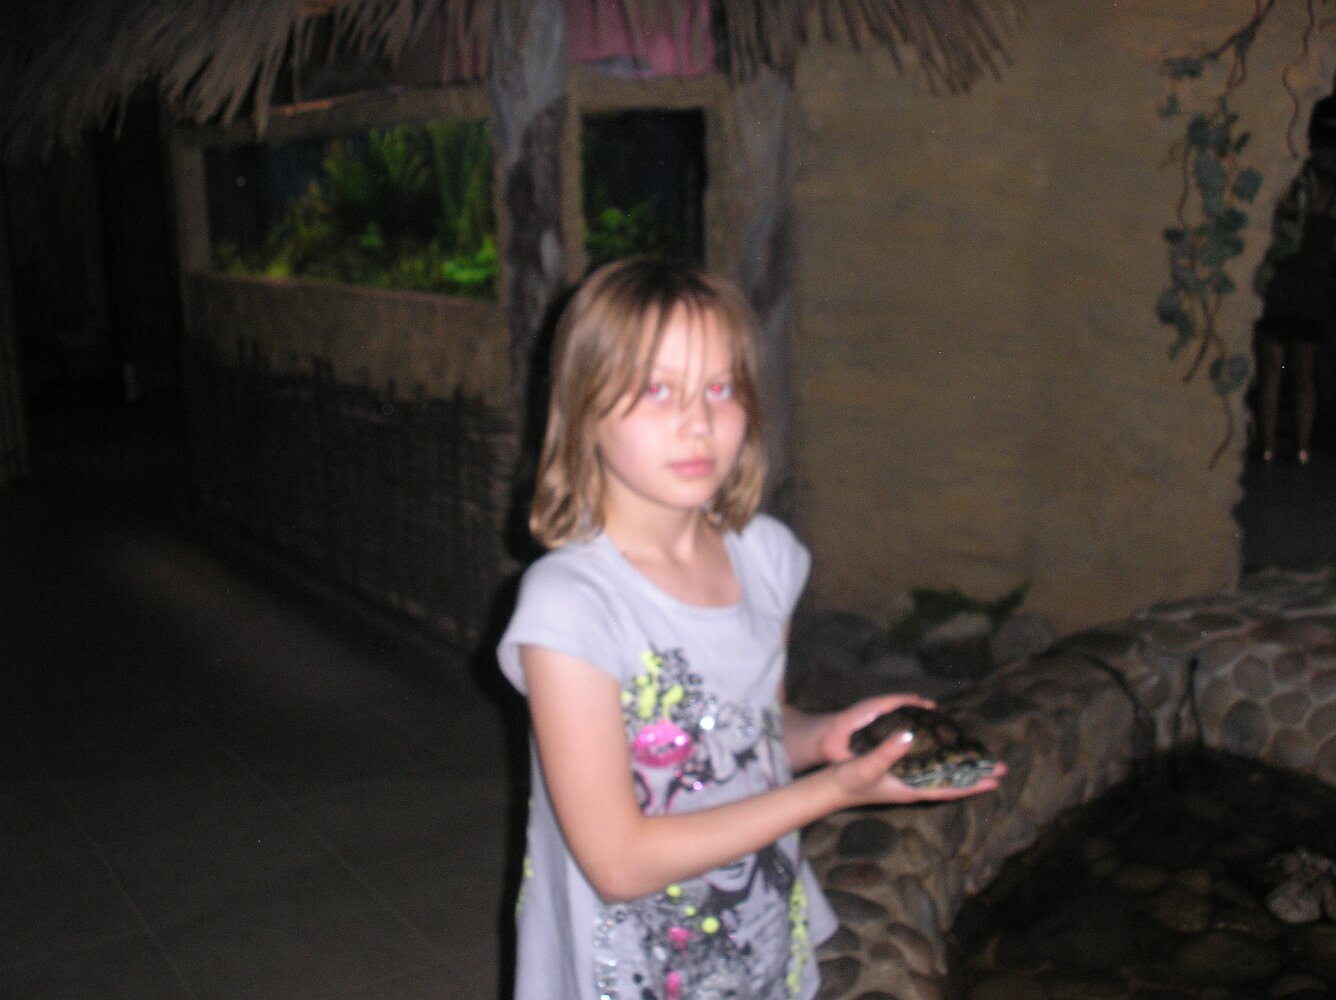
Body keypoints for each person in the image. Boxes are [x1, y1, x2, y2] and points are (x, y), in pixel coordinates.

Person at [496, 257, 1004, 1000]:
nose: (697, 421)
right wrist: (834, 791)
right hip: (632, 971)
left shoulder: (766, 560)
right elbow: (618, 863)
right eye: (656, 390)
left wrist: (826, 739)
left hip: (758, 935)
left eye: (720, 388)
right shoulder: (570, 607)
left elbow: (752, 731)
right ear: (584, 410)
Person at [1254, 85, 1336, 464]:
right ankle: (1276, 445)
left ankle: (1288, 446)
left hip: (1303, 283)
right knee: (1283, 367)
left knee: (1294, 369)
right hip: (1290, 281)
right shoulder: (1299, 185)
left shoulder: (1315, 188)